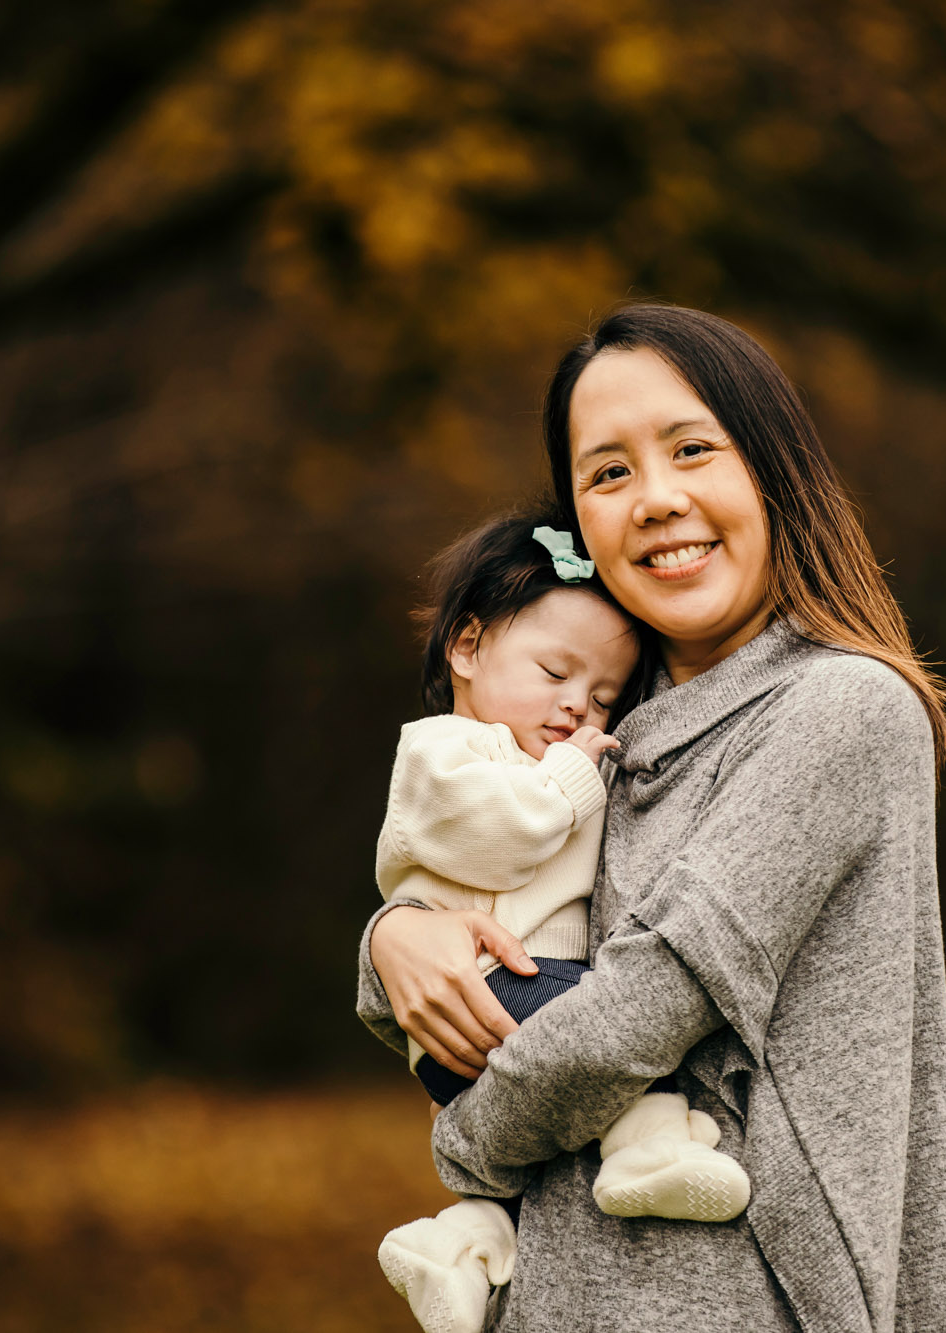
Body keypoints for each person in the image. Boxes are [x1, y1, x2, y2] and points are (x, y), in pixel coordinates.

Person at [357, 304, 946, 1331]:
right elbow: (444, 931)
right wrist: (396, 932)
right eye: (606, 473)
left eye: (692, 449)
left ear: (772, 472)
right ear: (576, 525)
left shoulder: (839, 709)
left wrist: (463, 1144)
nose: (654, 499)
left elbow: (640, 1006)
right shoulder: (595, 722)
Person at [373, 509, 754, 1333]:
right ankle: (650, 1148)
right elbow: (503, 837)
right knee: (604, 1027)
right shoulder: (443, 751)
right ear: (466, 647)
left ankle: (459, 1247)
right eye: (553, 671)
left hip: (504, 996)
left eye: (603, 697)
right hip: (492, 987)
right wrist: (576, 778)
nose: (575, 708)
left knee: (525, 1170)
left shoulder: (543, 757)